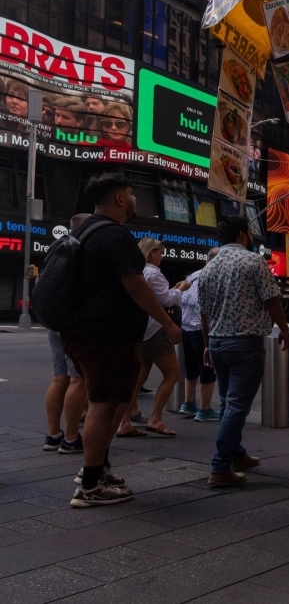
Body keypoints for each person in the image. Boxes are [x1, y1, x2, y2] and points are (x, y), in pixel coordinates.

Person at [61, 173, 181, 507]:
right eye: (131, 194)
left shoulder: (84, 230)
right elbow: (135, 284)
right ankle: (89, 485)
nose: (134, 199)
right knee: (103, 404)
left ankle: (98, 468)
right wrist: (166, 322)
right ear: (118, 198)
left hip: (83, 332)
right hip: (105, 336)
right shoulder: (114, 235)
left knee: (111, 401)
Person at [198, 216, 289, 487]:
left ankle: (235, 454)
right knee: (237, 405)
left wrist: (206, 344)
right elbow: (271, 300)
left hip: (216, 342)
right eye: (250, 233)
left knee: (227, 402)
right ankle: (220, 466)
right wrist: (284, 329)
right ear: (242, 235)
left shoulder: (208, 268)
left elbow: (204, 314)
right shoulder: (253, 262)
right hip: (245, 344)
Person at [116, 238, 190, 438]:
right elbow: (165, 300)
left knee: (138, 376)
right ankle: (155, 419)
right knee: (172, 374)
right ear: (151, 253)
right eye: (160, 252)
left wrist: (171, 290)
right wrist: (180, 290)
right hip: (155, 329)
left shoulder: (138, 272)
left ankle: (125, 420)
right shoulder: (154, 274)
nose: (162, 256)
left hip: (139, 329)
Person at [42, 213, 91, 454]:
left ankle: (53, 435)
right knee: (77, 379)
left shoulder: (58, 246)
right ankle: (71, 438)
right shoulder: (83, 248)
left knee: (58, 378)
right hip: (74, 321)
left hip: (54, 319)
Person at [178, 248, 221, 421]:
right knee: (207, 368)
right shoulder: (213, 278)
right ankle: (204, 409)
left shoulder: (194, 274)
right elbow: (204, 306)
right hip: (200, 330)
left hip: (186, 328)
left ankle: (188, 404)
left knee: (191, 367)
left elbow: (182, 298)